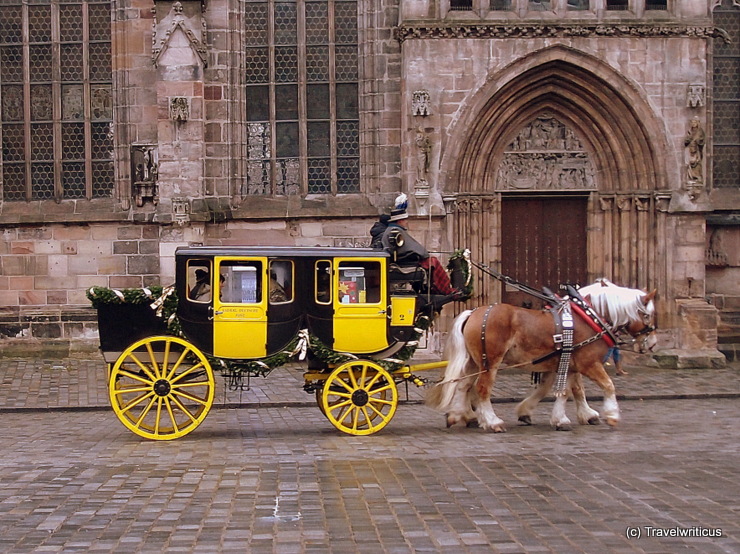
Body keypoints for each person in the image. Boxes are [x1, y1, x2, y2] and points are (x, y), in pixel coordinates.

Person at [380, 193, 462, 298]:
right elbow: (407, 248)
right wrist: (422, 254)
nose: (406, 222)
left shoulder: (393, 230)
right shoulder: (395, 231)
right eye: (405, 220)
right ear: (400, 221)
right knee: (433, 262)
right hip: (404, 263)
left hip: (405, 260)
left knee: (431, 261)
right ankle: (445, 290)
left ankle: (436, 288)